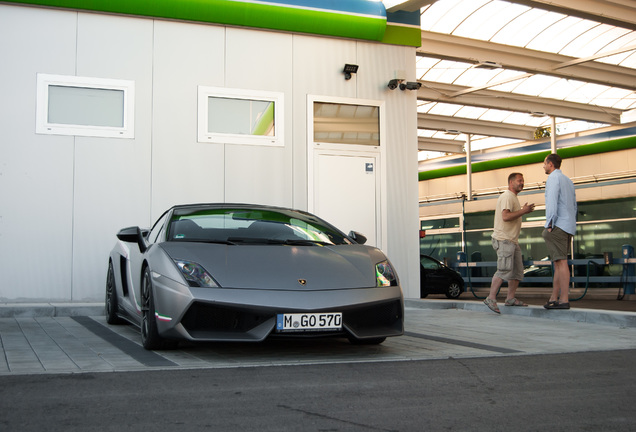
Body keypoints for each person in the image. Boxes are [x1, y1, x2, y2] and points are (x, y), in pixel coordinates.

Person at [483, 173, 535, 314]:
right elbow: (505, 216)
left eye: (523, 180)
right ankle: (491, 298)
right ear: (511, 182)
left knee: (517, 272)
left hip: (512, 241)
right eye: (519, 180)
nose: (522, 183)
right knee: (504, 269)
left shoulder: (513, 198)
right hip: (504, 240)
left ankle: (510, 298)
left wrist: (521, 211)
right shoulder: (507, 196)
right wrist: (523, 211)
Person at [542, 153, 577, 310]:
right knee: (558, 262)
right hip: (568, 225)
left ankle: (563, 299)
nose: (543, 166)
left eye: (544, 163)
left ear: (550, 164)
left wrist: (550, 223)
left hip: (558, 225)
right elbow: (574, 205)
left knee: (561, 263)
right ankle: (554, 297)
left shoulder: (553, 178)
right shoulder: (568, 181)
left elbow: (552, 202)